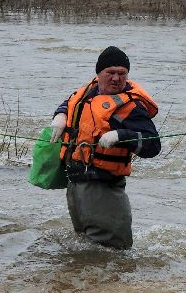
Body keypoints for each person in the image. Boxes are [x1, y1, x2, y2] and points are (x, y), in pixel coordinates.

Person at [50, 46, 161, 250]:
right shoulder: (87, 93)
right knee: (83, 251)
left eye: (122, 74)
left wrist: (121, 136)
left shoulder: (131, 107)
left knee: (112, 253)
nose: (116, 79)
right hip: (76, 186)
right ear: (99, 74)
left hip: (105, 188)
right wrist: (60, 116)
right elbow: (69, 103)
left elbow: (153, 144)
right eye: (110, 73)